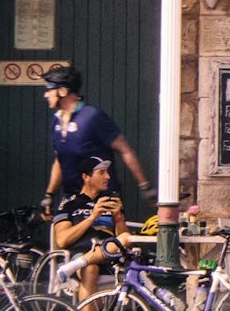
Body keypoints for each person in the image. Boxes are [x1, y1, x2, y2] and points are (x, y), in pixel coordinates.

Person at [40, 64, 155, 217]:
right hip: (73, 197)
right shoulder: (57, 121)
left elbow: (125, 150)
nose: (46, 95)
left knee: (96, 240)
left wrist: (145, 187)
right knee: (63, 239)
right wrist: (50, 195)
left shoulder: (92, 117)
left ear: (63, 91)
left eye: (49, 90)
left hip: (102, 199)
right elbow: (60, 160)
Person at [52, 156, 132, 311]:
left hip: (111, 257)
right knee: (90, 269)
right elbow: (62, 240)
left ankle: (75, 265)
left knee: (127, 239)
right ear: (86, 177)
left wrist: (118, 217)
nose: (107, 177)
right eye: (101, 172)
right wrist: (92, 216)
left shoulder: (111, 202)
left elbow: (124, 239)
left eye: (107, 172)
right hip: (84, 254)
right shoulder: (70, 204)